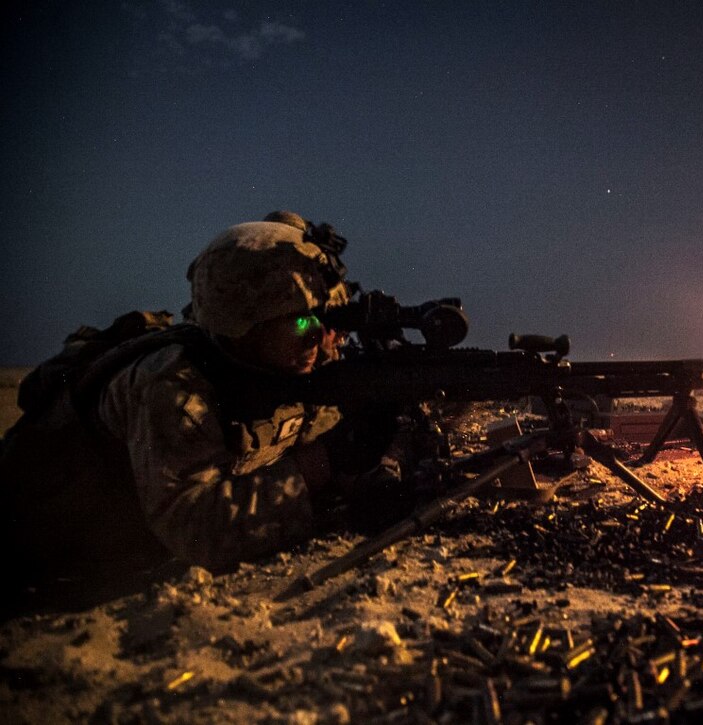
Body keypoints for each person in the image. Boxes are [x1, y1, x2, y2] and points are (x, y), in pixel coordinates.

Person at [0, 214, 403, 612]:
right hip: (36, 566)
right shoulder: (171, 385)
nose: (318, 334)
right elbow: (198, 531)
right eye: (300, 319)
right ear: (244, 324)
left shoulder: (283, 365)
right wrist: (323, 462)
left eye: (324, 318)